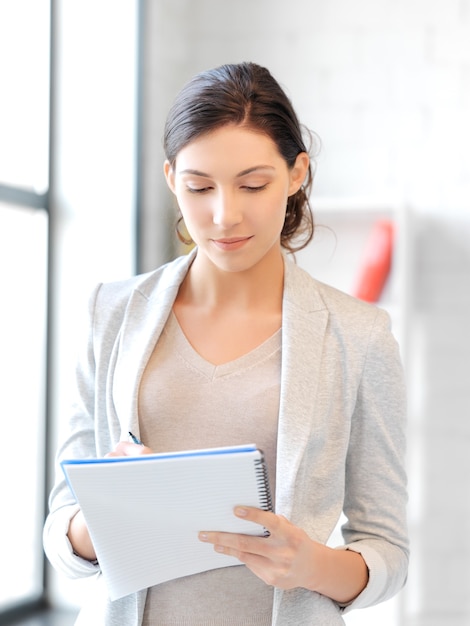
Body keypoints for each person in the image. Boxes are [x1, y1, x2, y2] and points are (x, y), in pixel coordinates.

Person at [43, 62, 409, 625]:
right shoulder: (111, 315)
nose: (223, 215)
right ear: (171, 178)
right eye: (199, 187)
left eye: (253, 184)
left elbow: (387, 552)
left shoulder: (359, 336)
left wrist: (308, 564)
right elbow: (62, 536)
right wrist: (104, 518)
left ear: (296, 174)